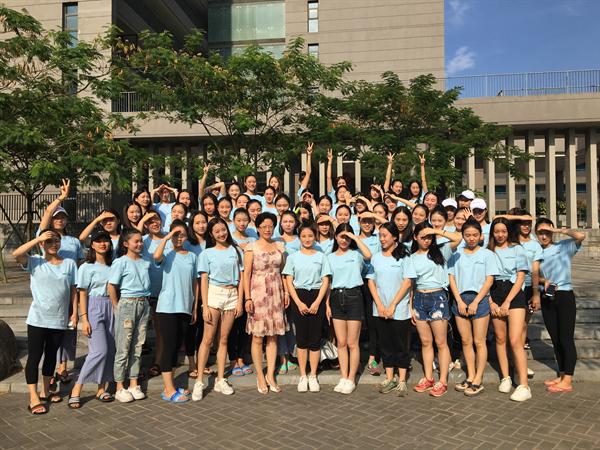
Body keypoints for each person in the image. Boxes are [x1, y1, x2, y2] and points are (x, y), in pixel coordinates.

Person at [13, 229, 78, 415]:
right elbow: (16, 254)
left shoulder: (70, 264)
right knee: (34, 357)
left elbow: (73, 290)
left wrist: (74, 313)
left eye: (56, 240)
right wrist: (38, 238)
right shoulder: (35, 261)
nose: (53, 244)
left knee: (51, 356)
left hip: (59, 319)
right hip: (38, 319)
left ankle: (45, 391)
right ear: (42, 243)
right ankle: (33, 397)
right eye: (49, 241)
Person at [393, 222, 461, 398]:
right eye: (423, 237)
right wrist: (410, 305)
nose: (426, 240)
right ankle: (429, 377)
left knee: (441, 342)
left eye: (429, 237)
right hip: (419, 299)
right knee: (425, 341)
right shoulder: (411, 257)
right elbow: (411, 284)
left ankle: (443, 380)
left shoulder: (441, 252)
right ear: (415, 237)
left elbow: (458, 238)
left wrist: (436, 231)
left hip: (437, 298)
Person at [38, 179, 83, 388]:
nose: (59, 220)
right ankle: (54, 367)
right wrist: (61, 198)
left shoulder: (74, 241)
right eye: (56, 217)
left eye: (62, 217)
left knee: (69, 330)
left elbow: (80, 265)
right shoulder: (45, 237)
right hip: (51, 293)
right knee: (53, 331)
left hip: (70, 291)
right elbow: (47, 213)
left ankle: (63, 366)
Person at [192, 218, 244, 400]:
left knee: (223, 339)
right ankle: (199, 381)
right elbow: (204, 280)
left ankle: (221, 379)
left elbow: (242, 278)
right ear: (211, 235)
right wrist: (205, 306)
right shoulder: (206, 254)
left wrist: (240, 301)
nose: (221, 233)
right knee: (207, 339)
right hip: (214, 294)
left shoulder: (236, 250)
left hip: (232, 295)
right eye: (217, 231)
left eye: (223, 230)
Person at [448, 219, 498, 396]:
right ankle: (470, 376)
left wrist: (476, 301)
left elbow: (489, 280)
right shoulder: (456, 254)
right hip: (460, 299)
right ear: (462, 236)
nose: (471, 238)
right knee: (466, 341)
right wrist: (459, 301)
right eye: (468, 235)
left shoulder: (487, 255)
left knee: (479, 341)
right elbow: (451, 278)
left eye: (475, 235)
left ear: (480, 235)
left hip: (480, 299)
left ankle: (478, 378)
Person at [535, 219, 586, 393]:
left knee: (566, 338)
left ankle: (568, 380)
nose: (544, 236)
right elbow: (533, 275)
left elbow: (581, 235)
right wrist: (543, 280)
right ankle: (562, 374)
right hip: (547, 296)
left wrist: (559, 230)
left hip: (564, 296)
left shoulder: (564, 247)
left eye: (547, 232)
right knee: (556, 339)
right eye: (540, 233)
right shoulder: (536, 252)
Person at [68, 230, 116, 408]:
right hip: (94, 306)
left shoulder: (114, 265)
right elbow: (82, 293)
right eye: (98, 241)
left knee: (110, 350)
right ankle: (77, 388)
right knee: (99, 351)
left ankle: (101, 389)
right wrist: (84, 319)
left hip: (112, 306)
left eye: (106, 241)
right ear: (92, 245)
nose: (103, 244)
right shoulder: (86, 267)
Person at [153, 220, 199, 403]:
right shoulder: (167, 254)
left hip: (185, 306)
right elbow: (156, 256)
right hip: (167, 307)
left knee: (177, 345)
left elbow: (195, 282)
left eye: (182, 235)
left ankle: (170, 385)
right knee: (169, 346)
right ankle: (169, 389)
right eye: (175, 234)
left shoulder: (192, 256)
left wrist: (195, 306)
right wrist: (166, 238)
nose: (179, 238)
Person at [283, 224, 331, 393]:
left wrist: (318, 302)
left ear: (315, 237)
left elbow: (325, 280)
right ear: (299, 238)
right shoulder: (293, 257)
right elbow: (289, 281)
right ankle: (303, 375)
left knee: (315, 338)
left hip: (317, 296)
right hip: (299, 297)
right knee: (302, 339)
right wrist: (298, 302)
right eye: (303, 236)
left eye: (310, 236)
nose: (307, 239)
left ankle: (313, 375)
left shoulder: (321, 256)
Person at [244, 213, 289, 394]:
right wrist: (247, 298)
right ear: (258, 228)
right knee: (257, 336)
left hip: (276, 292)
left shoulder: (280, 246)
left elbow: (283, 272)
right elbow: (246, 274)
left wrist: (286, 292)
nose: (267, 229)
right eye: (264, 226)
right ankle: (260, 375)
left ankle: (270, 374)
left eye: (270, 226)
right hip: (258, 294)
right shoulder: (251, 247)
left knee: (273, 336)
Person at [487, 218, 531, 402]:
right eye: (496, 231)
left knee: (515, 340)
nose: (500, 235)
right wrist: (491, 302)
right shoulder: (487, 251)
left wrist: (506, 302)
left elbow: (520, 278)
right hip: (494, 292)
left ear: (508, 232)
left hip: (513, 294)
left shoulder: (517, 249)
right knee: (500, 338)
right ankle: (505, 377)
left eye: (503, 231)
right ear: (492, 233)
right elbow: (484, 279)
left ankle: (524, 385)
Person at [367, 223, 412, 396]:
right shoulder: (376, 257)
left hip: (399, 309)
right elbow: (371, 281)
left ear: (395, 237)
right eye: (380, 235)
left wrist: (393, 304)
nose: (382, 239)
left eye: (385, 235)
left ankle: (402, 380)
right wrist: (379, 304)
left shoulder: (404, 256)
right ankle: (390, 377)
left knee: (400, 345)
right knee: (385, 344)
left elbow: (407, 282)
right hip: (380, 309)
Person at [327, 223, 373, 395]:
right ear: (335, 237)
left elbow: (369, 255)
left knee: (353, 342)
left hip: (354, 296)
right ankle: (343, 376)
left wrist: (354, 237)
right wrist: (327, 304)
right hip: (336, 297)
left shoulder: (356, 254)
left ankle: (351, 378)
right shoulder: (330, 257)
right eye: (341, 236)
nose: (344, 240)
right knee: (341, 342)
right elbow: (328, 282)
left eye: (347, 237)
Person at [107, 228, 151, 403]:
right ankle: (119, 386)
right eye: (136, 241)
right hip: (127, 304)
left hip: (143, 303)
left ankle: (133, 383)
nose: (139, 244)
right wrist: (116, 306)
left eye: (141, 241)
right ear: (126, 244)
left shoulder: (145, 261)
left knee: (138, 345)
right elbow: (111, 286)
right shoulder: (120, 262)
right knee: (123, 346)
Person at [358, 213, 383, 376]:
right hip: (356, 283)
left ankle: (372, 358)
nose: (367, 224)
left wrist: (373, 214)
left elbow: (390, 226)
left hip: (374, 283)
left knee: (373, 321)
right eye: (364, 221)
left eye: (370, 221)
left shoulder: (378, 237)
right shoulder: (353, 238)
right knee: (357, 322)